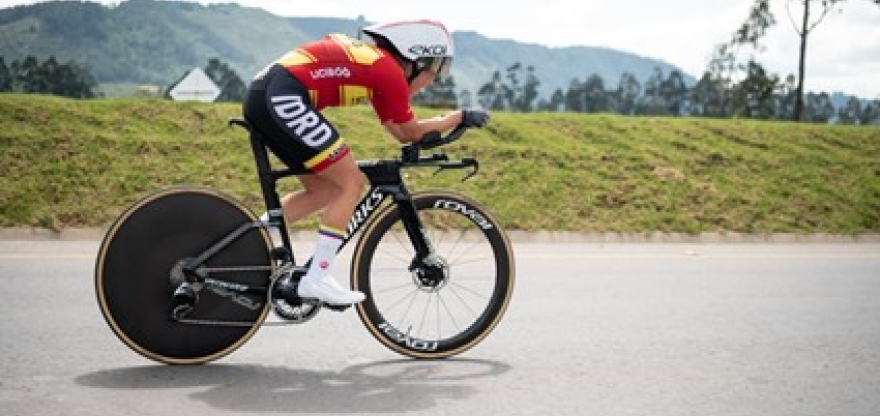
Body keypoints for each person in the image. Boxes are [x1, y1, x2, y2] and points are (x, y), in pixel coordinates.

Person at [242, 19, 491, 306]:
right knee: (350, 182)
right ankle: (316, 277)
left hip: (268, 95)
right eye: (435, 68)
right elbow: (412, 132)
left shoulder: (376, 67)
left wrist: (445, 127)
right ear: (416, 60)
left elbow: (401, 133)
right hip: (282, 96)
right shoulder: (387, 71)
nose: (434, 79)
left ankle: (244, 243)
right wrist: (459, 117)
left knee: (325, 190)